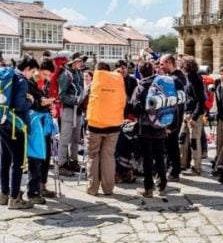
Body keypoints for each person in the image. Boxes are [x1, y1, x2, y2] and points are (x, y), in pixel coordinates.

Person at [0, 56, 39, 209]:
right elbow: (19, 105)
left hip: (2, 121)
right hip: (15, 126)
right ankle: (15, 198)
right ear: (27, 69)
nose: (32, 75)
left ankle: (4, 194)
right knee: (18, 162)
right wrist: (31, 100)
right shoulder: (22, 81)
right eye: (33, 71)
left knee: (5, 159)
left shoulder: (9, 76)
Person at [85, 62, 124, 196]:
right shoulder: (118, 83)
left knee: (93, 155)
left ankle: (92, 188)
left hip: (95, 125)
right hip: (113, 125)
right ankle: (108, 188)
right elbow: (124, 101)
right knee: (108, 156)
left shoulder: (93, 85)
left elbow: (82, 101)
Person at [131, 60, 168, 198]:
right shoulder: (161, 84)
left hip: (146, 127)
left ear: (140, 73)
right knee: (160, 157)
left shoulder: (140, 88)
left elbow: (135, 108)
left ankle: (148, 189)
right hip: (160, 125)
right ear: (153, 71)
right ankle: (162, 186)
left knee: (147, 159)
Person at [26, 59, 58, 204]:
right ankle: (34, 189)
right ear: (38, 70)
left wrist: (49, 104)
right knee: (36, 157)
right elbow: (30, 103)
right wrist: (42, 102)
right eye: (44, 74)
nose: (46, 77)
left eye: (48, 75)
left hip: (44, 122)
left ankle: (42, 185)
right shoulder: (30, 82)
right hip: (35, 124)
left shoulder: (44, 83)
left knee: (46, 156)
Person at [57, 52, 85, 176]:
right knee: (65, 138)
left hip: (78, 110)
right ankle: (62, 164)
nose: (81, 63)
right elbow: (61, 95)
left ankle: (73, 161)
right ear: (73, 62)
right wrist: (75, 100)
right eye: (79, 61)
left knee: (76, 139)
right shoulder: (65, 75)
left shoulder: (79, 74)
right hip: (68, 110)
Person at [160, 54, 186, 180]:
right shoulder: (171, 77)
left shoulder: (177, 79)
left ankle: (174, 170)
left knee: (172, 144)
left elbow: (177, 104)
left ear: (169, 63)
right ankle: (171, 167)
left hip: (173, 118)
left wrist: (171, 124)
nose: (160, 67)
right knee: (169, 144)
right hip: (170, 117)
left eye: (162, 64)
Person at [180, 56, 207, 176]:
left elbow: (201, 101)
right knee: (183, 139)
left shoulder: (196, 80)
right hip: (187, 113)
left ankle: (196, 168)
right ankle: (183, 164)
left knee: (194, 141)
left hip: (193, 115)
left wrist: (194, 118)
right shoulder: (188, 78)